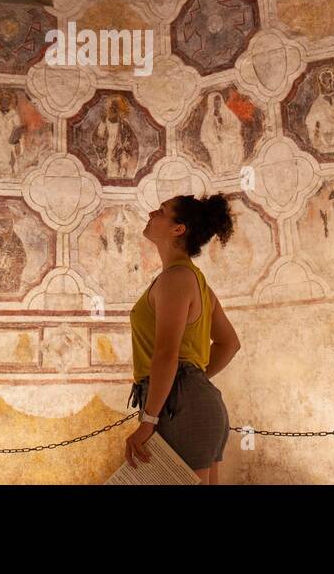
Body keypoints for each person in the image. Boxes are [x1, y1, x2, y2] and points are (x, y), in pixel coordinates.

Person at [125, 194, 241, 484]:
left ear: (178, 229)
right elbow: (230, 343)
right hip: (193, 403)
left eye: (162, 211)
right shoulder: (194, 280)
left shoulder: (176, 279)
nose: (152, 212)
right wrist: (194, 379)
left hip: (181, 407)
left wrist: (148, 420)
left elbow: (166, 354)